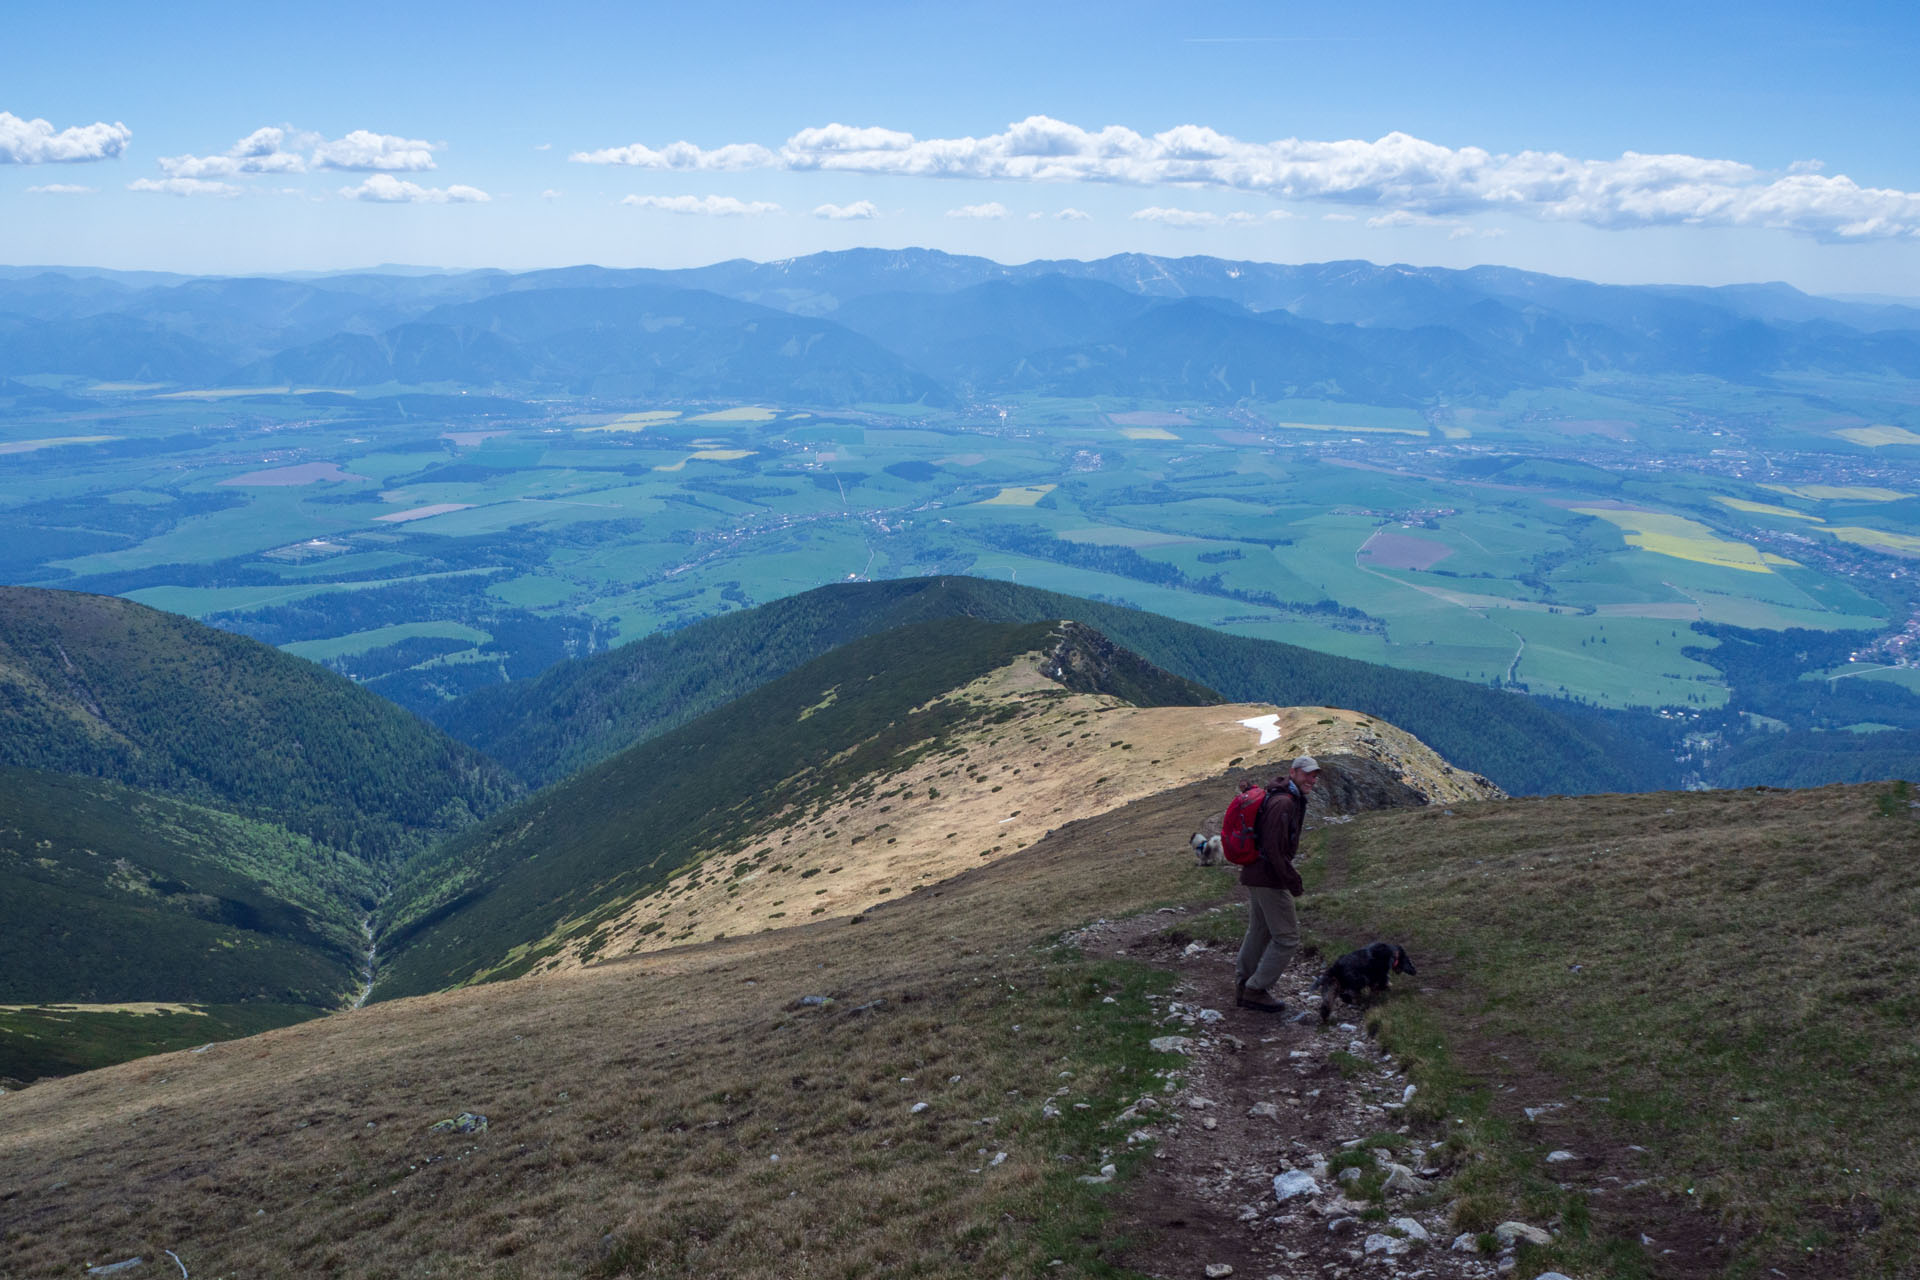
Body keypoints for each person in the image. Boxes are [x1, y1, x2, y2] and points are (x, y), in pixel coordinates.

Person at [1234, 754, 1320, 1013]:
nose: (1312, 779)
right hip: (1268, 877)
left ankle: (1243, 982)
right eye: (1307, 774)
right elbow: (1273, 848)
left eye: (1315, 775)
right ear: (1293, 772)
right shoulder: (1284, 803)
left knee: (1259, 930)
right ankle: (1255, 989)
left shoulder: (1282, 796)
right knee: (1287, 938)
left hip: (1256, 874)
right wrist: (1292, 880)